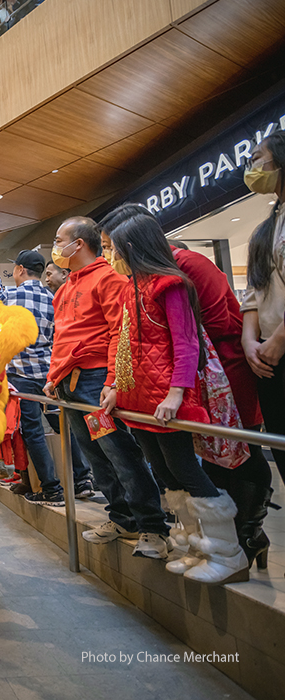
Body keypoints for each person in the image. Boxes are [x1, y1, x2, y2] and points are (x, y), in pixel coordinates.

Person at [100, 203, 273, 574]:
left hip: (214, 376)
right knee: (174, 468)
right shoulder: (133, 285)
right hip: (158, 391)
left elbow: (197, 335)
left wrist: (179, 388)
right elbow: (127, 340)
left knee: (231, 457)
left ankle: (239, 541)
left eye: (111, 247)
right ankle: (203, 543)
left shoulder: (181, 274)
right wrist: (117, 383)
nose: (109, 256)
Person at [45, 217, 169, 559]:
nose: (56, 246)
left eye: (59, 239)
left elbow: (120, 333)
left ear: (79, 244)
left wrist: (114, 381)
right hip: (69, 383)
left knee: (119, 452)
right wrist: (53, 378)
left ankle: (153, 527)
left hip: (94, 380)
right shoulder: (67, 286)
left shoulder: (107, 279)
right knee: (96, 455)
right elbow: (62, 336)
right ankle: (123, 517)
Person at [0, 250, 93, 505]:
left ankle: (51, 489)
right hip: (51, 377)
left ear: (19, 269)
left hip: (21, 376)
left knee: (32, 432)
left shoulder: (7, 296)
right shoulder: (53, 297)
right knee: (62, 426)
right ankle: (82, 479)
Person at [240, 132, 285, 484]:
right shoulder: (265, 229)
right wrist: (249, 341)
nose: (253, 167)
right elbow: (254, 292)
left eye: (257, 158)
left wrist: (278, 340)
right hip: (269, 358)